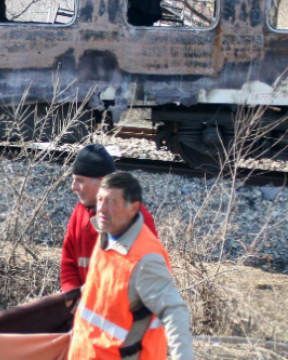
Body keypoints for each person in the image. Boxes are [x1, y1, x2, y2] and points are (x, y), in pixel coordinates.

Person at [67, 172, 194, 360]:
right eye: (100, 199)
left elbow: (175, 313)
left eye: (111, 201)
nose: (101, 208)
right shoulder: (106, 236)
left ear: (133, 208)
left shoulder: (145, 260)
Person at [60, 144, 158, 292]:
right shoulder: (80, 211)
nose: (73, 187)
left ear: (101, 182)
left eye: (80, 180)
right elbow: (68, 263)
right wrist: (73, 296)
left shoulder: (135, 218)